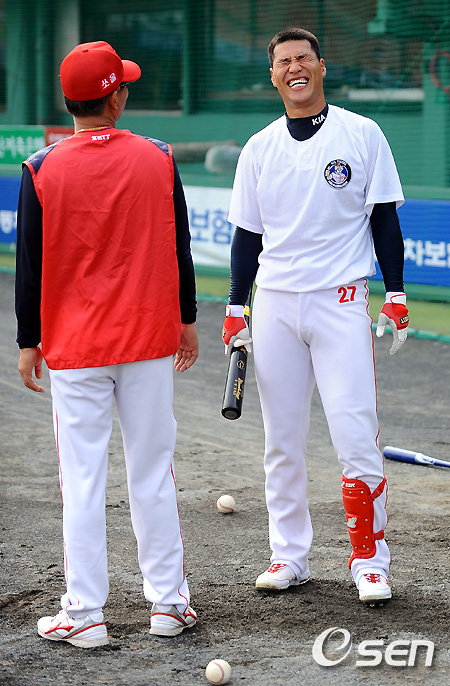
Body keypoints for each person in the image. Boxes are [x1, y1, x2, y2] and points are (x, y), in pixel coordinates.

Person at [15, 41, 199, 647]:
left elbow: (30, 264)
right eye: (124, 86)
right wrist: (187, 318)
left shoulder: (40, 167)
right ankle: (169, 604)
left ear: (69, 100)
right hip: (148, 338)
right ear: (115, 97)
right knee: (153, 474)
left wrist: (27, 340)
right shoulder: (158, 156)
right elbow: (180, 246)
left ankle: (85, 613)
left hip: (76, 347)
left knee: (82, 480)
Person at [222, 28, 409, 605]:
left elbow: (384, 220)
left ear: (322, 66)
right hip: (275, 304)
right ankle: (288, 557)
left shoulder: (362, 133)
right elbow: (247, 237)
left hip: (341, 301)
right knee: (281, 442)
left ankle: (370, 562)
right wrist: (235, 305)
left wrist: (397, 294)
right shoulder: (258, 148)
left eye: (304, 57)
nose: (295, 67)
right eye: (284, 61)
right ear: (273, 76)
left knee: (355, 437)